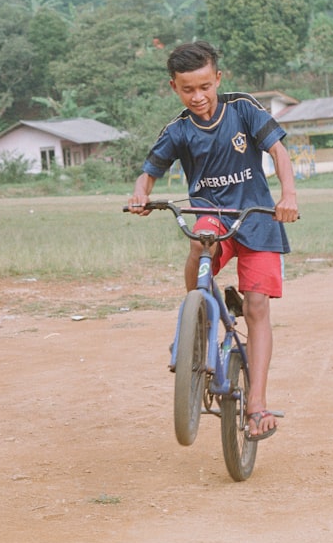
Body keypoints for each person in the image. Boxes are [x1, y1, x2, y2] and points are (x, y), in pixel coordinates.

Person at [128, 41, 299, 441]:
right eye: (188, 89)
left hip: (257, 219)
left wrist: (287, 196)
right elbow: (148, 172)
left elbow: (279, 151)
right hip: (213, 217)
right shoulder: (179, 130)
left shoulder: (243, 109)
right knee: (198, 240)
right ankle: (199, 315)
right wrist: (140, 193)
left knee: (257, 306)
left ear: (218, 78)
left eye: (205, 86)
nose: (198, 96)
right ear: (174, 87)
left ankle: (256, 404)